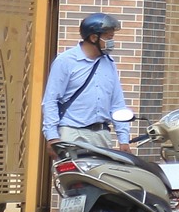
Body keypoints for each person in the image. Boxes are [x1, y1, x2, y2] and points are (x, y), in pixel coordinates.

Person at [43, 13, 133, 152]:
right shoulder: (66, 61)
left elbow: (117, 103)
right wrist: (52, 136)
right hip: (72, 134)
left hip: (101, 135)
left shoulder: (109, 64)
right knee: (72, 174)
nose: (112, 42)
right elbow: (50, 100)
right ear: (93, 38)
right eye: (109, 38)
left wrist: (124, 139)